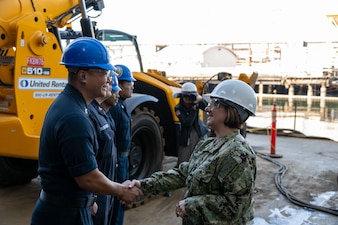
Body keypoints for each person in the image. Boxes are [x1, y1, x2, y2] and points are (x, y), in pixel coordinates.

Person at [30, 37, 142, 225]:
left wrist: (87, 200)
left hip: (67, 208)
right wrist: (121, 190)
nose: (108, 79)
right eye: (104, 72)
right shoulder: (74, 117)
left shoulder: (71, 105)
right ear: (83, 76)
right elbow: (88, 177)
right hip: (64, 216)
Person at [137, 79, 257, 225]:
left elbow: (235, 206)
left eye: (214, 104)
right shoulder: (208, 144)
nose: (207, 109)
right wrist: (143, 185)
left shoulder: (238, 154)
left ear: (231, 110)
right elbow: (185, 172)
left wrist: (191, 205)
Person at [88, 72, 120, 225]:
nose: (110, 83)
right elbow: (85, 162)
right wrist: (90, 198)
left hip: (106, 184)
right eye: (108, 81)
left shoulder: (101, 112)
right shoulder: (89, 113)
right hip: (97, 190)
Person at [108, 64, 136, 225]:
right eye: (128, 83)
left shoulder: (122, 105)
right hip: (118, 159)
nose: (132, 86)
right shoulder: (115, 108)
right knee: (117, 199)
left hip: (123, 159)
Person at [173, 82, 209, 166]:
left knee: (199, 159)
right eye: (185, 96)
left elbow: (207, 109)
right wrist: (194, 108)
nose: (187, 99)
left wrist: (201, 100)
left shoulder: (196, 103)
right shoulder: (178, 108)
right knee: (183, 160)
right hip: (186, 136)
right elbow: (187, 123)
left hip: (198, 132)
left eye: (190, 96)